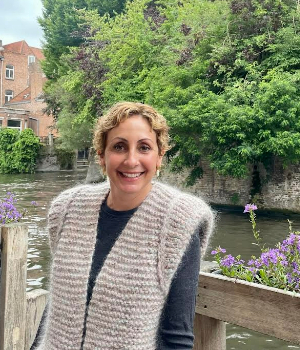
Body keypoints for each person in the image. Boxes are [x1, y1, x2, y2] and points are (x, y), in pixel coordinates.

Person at [34, 101, 215, 350]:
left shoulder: (178, 222)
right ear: (102, 155)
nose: (131, 160)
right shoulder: (67, 210)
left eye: (144, 147)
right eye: (119, 146)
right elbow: (56, 307)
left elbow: (177, 337)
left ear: (159, 156)